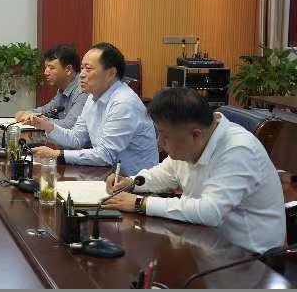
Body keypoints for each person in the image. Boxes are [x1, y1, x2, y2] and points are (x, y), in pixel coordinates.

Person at [104, 88, 285, 254]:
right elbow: (165, 174)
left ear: (196, 135)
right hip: (205, 242)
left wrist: (140, 203)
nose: (159, 142)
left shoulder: (238, 150)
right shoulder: (191, 142)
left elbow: (210, 211)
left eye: (165, 135)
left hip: (248, 259)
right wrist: (130, 183)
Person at [31, 42, 158, 176]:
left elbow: (106, 155)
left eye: (88, 69)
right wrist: (47, 126)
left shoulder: (124, 103)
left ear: (111, 73)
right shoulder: (93, 97)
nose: (81, 74)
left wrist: (57, 154)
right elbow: (77, 138)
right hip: (108, 175)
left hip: (135, 182)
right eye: (82, 68)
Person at [14, 44, 87, 129]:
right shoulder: (63, 89)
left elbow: (69, 125)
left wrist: (37, 120)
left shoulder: (83, 89)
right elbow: (47, 110)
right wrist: (27, 113)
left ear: (68, 70)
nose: (46, 73)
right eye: (46, 68)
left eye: (51, 68)